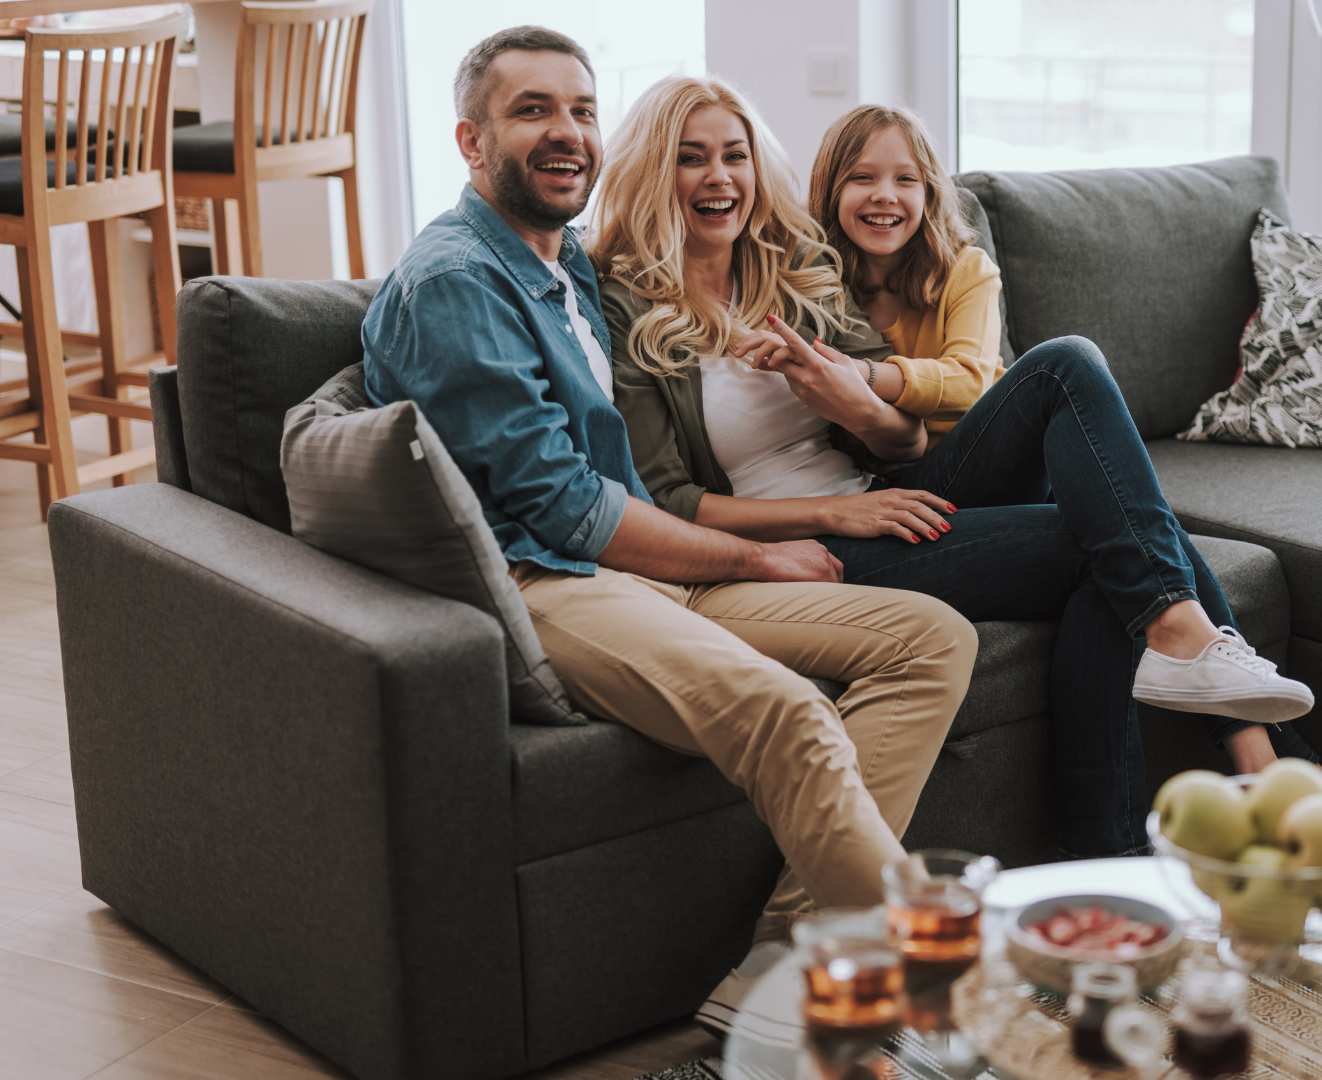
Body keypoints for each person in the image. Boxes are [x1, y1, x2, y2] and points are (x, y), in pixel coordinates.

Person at [360, 28, 978, 1032]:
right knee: (790, 715)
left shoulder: (557, 270)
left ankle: (777, 971)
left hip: (645, 573)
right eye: (532, 111)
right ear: (471, 141)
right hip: (548, 582)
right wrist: (755, 552)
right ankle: (956, 990)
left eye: (581, 110)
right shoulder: (458, 282)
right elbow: (565, 508)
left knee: (931, 640)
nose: (566, 132)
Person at [591, 83, 1321, 862]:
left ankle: (1118, 840)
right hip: (806, 548)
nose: (720, 178)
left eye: (734, 156)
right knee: (1118, 543)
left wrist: (847, 394)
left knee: (1070, 382)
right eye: (690, 159)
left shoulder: (789, 264)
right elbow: (667, 501)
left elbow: (901, 443)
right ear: (651, 172)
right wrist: (834, 517)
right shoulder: (626, 304)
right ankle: (1230, 778)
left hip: (884, 498)